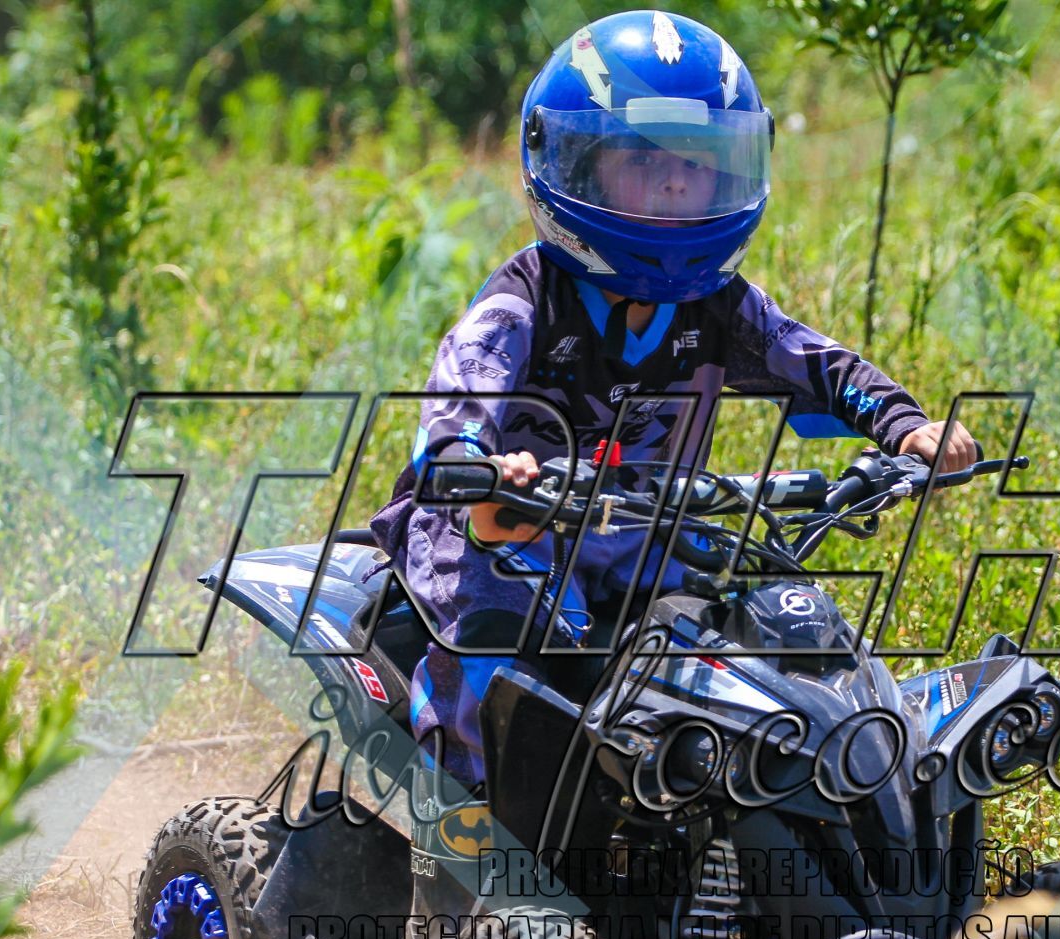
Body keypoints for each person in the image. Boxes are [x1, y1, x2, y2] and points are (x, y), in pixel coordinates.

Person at [368, 9, 978, 790]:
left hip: (644, 532)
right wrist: (475, 465)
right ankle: (457, 827)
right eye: (643, 159)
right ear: (576, 165)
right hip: (500, 530)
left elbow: (816, 364)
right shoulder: (524, 301)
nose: (676, 181)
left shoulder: (720, 305)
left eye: (698, 161)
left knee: (771, 644)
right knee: (495, 645)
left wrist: (906, 426)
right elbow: (461, 397)